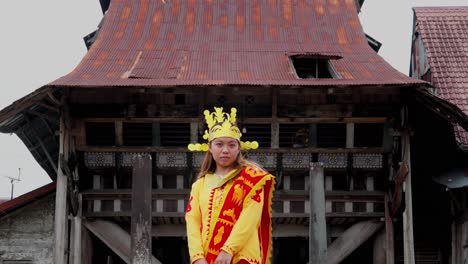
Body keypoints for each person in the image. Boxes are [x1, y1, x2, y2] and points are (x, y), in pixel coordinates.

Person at [186, 107, 275, 264]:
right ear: (210, 148)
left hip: (242, 256)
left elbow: (250, 217)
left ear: (239, 148)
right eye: (219, 144)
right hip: (208, 258)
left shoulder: (251, 179)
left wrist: (228, 249)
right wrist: (198, 257)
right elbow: (192, 222)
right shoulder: (199, 185)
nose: (225, 150)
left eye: (231, 145)